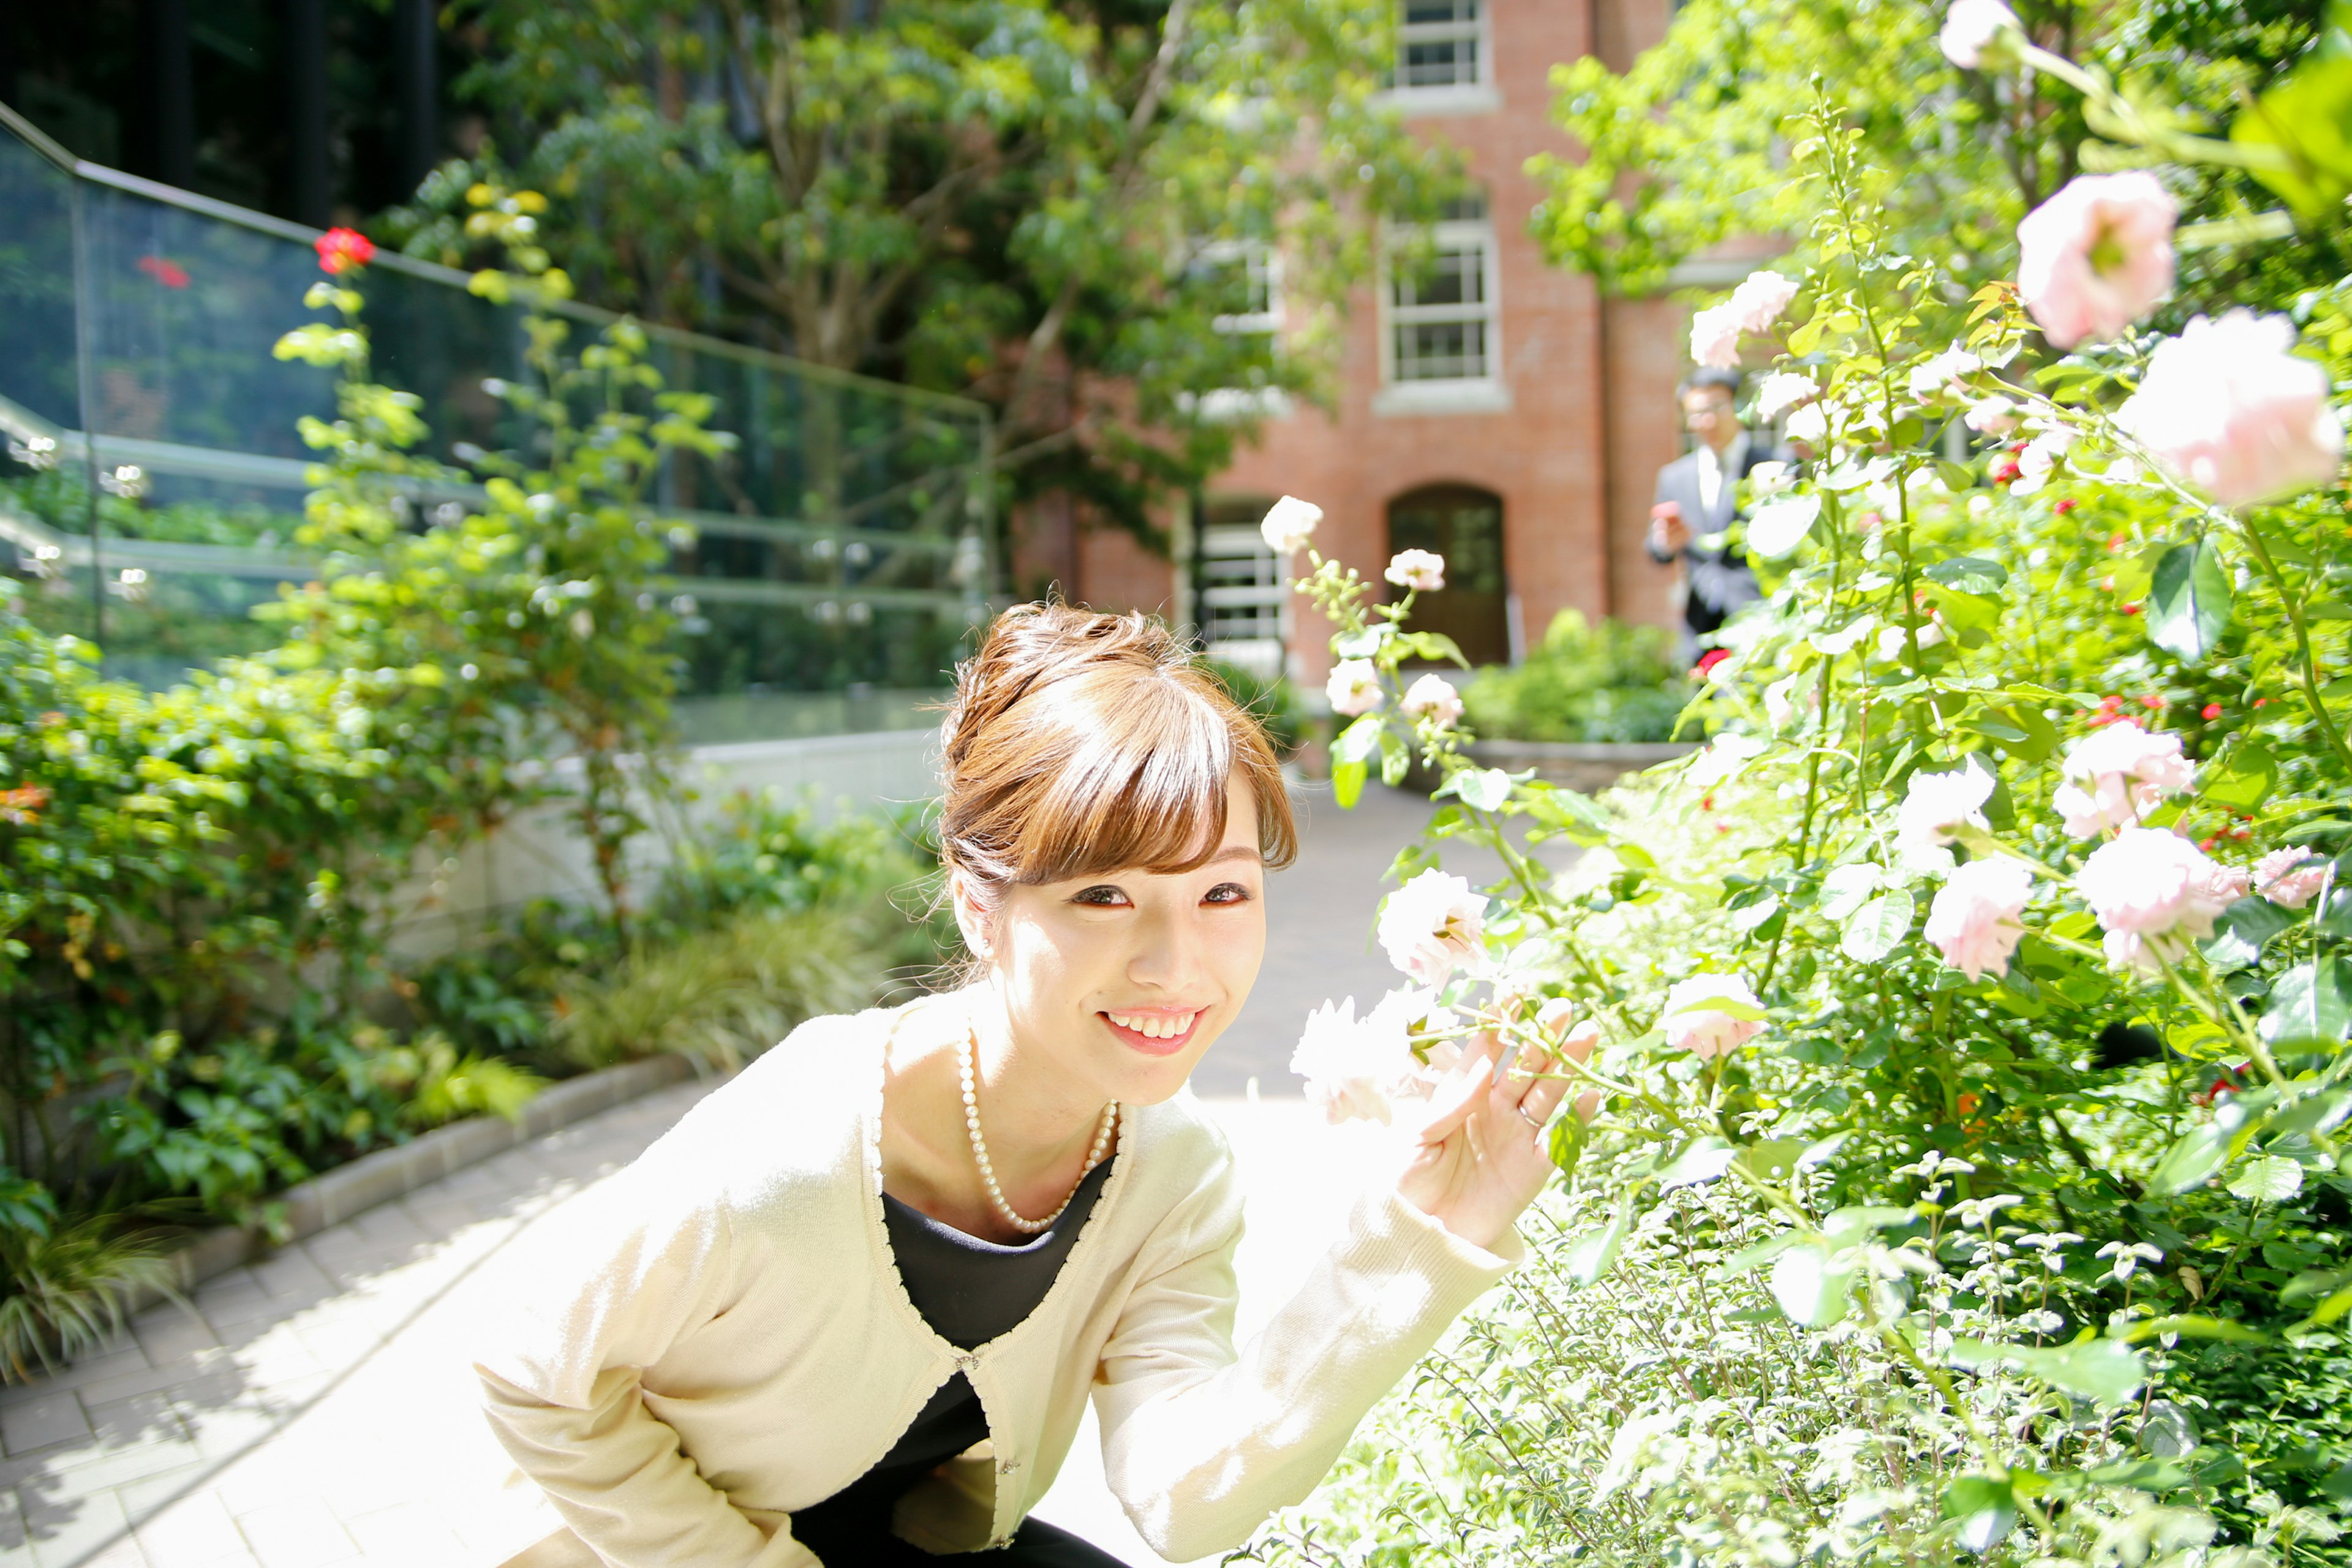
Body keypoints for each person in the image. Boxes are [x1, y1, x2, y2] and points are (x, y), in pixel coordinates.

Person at [473, 604, 1570, 1568]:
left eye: (1223, 894)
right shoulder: (793, 1148)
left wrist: (1420, 1235)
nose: (1175, 965)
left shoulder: (1172, 1175)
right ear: (979, 906)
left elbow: (1185, 1502)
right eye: (1102, 895)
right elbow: (529, 1369)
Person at [1647, 367, 1780, 665]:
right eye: (1696, 413)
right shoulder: (1674, 477)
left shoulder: (1776, 465)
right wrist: (1665, 542)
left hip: (1763, 618)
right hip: (1701, 627)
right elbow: (1655, 550)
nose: (1707, 421)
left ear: (1735, 406)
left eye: (1716, 408)